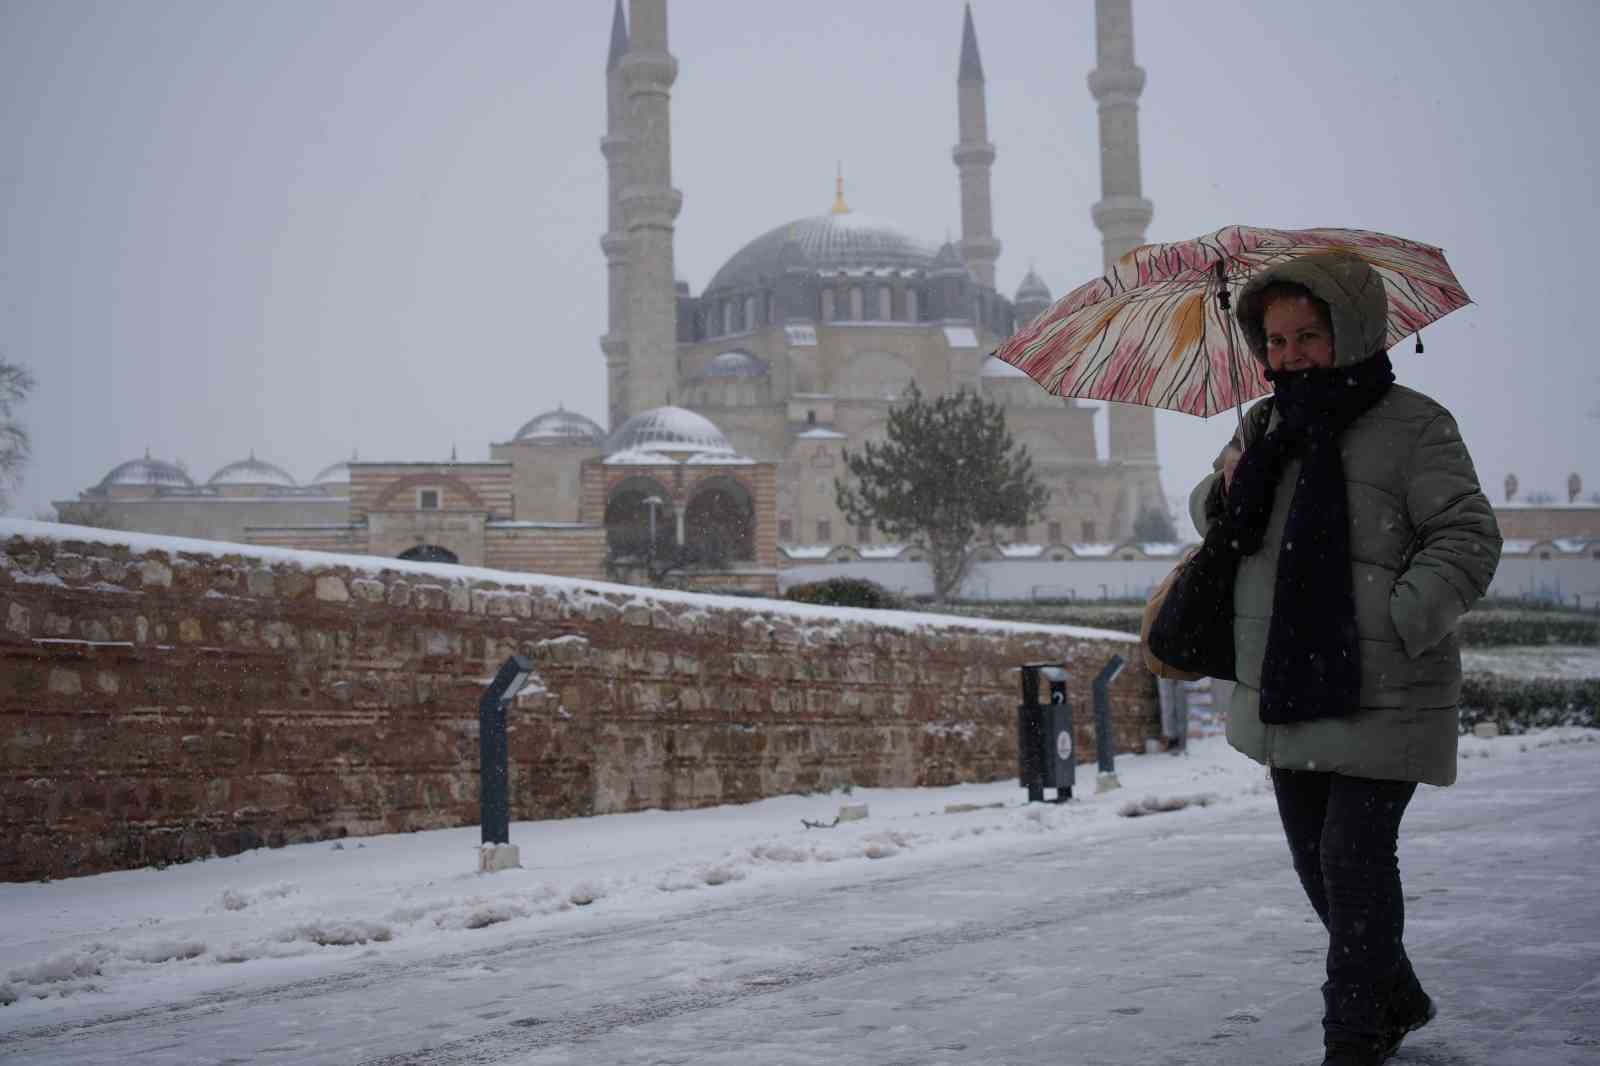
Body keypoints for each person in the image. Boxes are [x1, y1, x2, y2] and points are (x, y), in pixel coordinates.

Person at [1187, 252, 1501, 1066]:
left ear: (1350, 332)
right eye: (1278, 339)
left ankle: (1354, 1037)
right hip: (1290, 682)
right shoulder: (1263, 425)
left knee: (1352, 857)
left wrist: (1403, 620)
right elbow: (1215, 518)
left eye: (1310, 336)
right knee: (1315, 865)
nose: (1290, 355)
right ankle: (1395, 993)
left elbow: (1467, 537)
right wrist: (1225, 480)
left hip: (1384, 684)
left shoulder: (1415, 425)